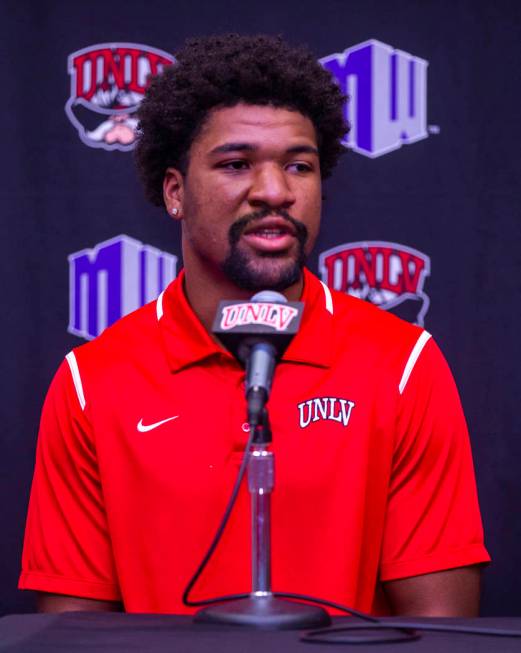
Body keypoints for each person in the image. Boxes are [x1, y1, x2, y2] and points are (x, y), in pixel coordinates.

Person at [19, 33, 489, 616]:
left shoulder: (401, 363)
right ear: (175, 192)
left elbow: (441, 626)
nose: (274, 192)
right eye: (237, 164)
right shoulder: (92, 381)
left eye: (299, 166)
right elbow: (72, 632)